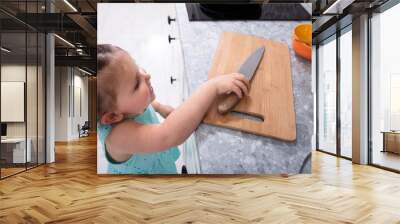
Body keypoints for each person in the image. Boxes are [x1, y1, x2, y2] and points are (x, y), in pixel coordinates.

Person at [97, 44, 249, 174]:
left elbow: (150, 106)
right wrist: (212, 87)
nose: (146, 75)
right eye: (136, 83)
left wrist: (160, 108)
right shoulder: (118, 138)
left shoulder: (128, 109)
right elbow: (167, 135)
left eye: (137, 67)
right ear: (112, 117)